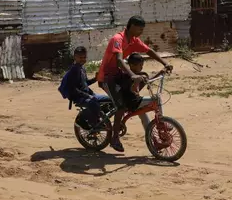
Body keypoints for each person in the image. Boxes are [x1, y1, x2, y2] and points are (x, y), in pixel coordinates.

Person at [97, 15, 173, 152]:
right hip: (108, 78)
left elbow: (149, 51)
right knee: (120, 107)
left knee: (140, 109)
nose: (141, 32)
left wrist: (165, 63)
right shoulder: (117, 39)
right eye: (139, 29)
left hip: (120, 75)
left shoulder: (133, 41)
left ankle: (154, 140)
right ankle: (114, 138)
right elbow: (119, 60)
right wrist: (133, 76)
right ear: (131, 26)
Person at [64, 46, 109, 129]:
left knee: (110, 100)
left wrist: (95, 79)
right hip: (79, 97)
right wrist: (88, 96)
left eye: (84, 57)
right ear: (75, 57)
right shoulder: (73, 70)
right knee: (93, 102)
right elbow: (73, 89)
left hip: (88, 94)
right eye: (80, 57)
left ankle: (98, 117)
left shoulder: (82, 68)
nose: (83, 59)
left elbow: (85, 83)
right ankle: (82, 120)